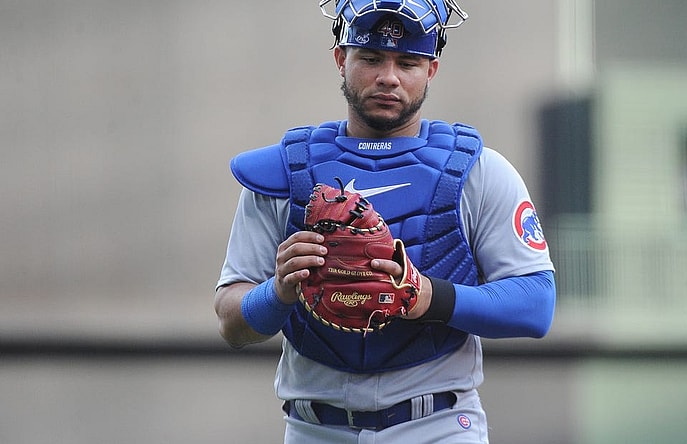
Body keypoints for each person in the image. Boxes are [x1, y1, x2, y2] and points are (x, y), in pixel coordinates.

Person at [214, 1, 556, 442]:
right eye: (371, 58)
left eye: (408, 62)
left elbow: (535, 304)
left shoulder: (479, 171)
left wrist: (427, 295)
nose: (388, 77)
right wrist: (277, 291)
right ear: (342, 59)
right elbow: (229, 322)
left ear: (431, 69)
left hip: (437, 424)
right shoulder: (282, 173)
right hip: (314, 427)